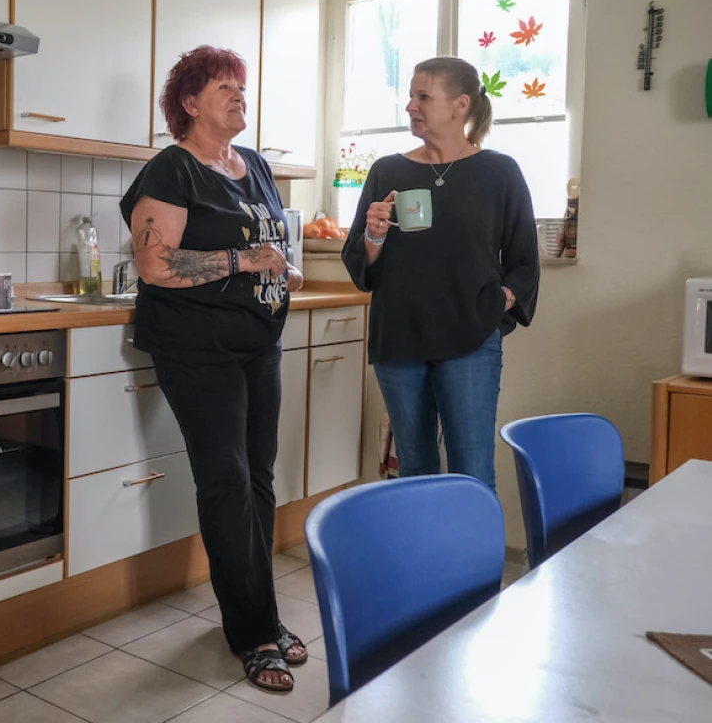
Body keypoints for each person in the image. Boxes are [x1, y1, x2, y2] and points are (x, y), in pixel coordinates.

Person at [119, 45, 307, 693]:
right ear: (190, 102)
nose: (238, 95)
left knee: (257, 477)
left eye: (241, 87)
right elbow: (154, 264)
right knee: (226, 480)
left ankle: (263, 614)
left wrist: (283, 268)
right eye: (224, 87)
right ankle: (254, 633)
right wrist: (242, 262)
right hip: (197, 347)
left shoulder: (255, 165)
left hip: (259, 342)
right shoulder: (172, 169)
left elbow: (268, 244)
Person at [341, 56, 540, 491]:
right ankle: (423, 542)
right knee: (414, 471)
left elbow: (525, 261)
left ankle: (474, 542)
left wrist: (498, 303)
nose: (411, 105)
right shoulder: (387, 170)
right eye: (411, 96)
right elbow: (359, 263)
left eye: (423, 96)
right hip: (399, 338)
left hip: (470, 339)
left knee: (472, 471)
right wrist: (374, 235)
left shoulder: (500, 172)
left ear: (460, 105)